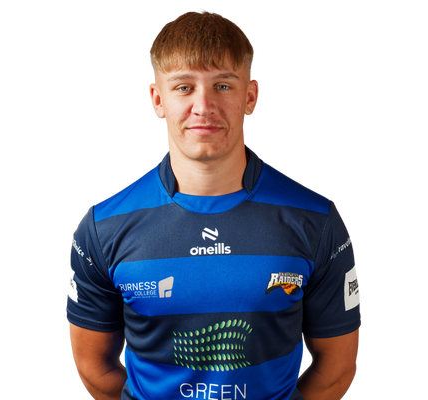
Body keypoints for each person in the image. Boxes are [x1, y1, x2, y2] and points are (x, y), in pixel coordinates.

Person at [64, 7, 363, 400]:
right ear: (156, 100)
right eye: (184, 87)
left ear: (251, 96)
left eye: (222, 85)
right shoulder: (102, 226)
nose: (203, 106)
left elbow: (337, 371)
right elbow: (93, 369)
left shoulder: (317, 218)